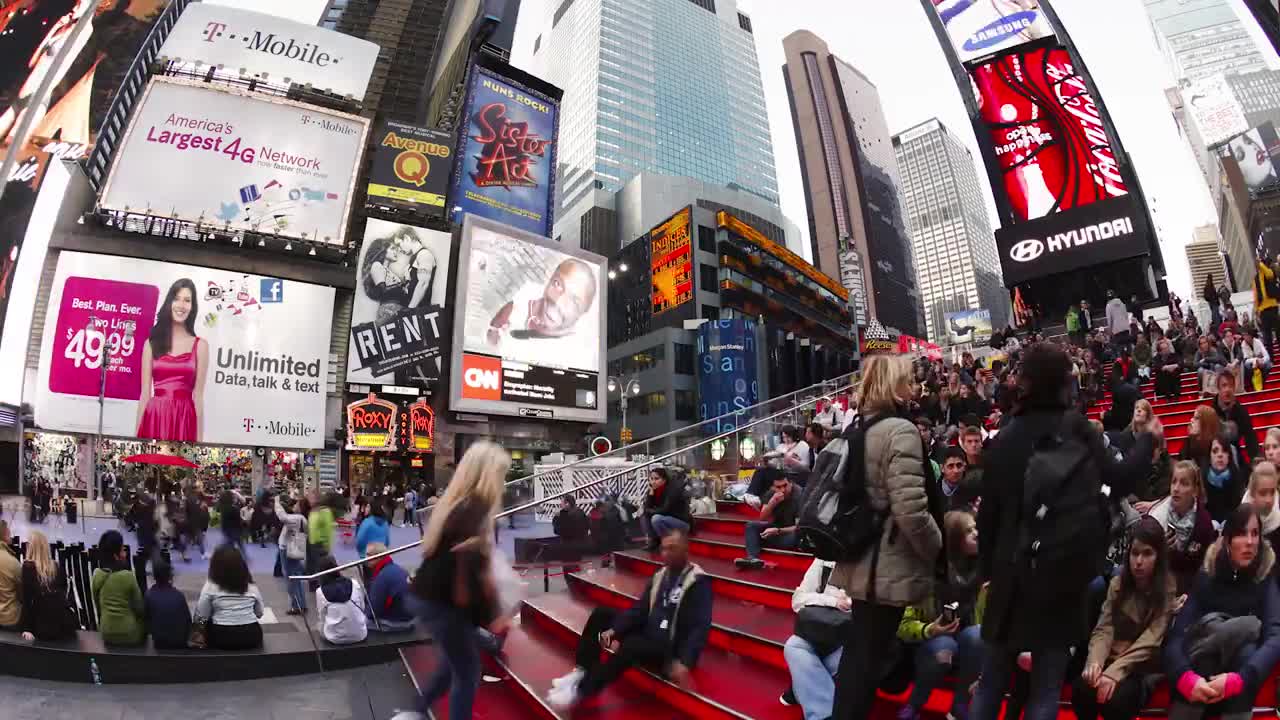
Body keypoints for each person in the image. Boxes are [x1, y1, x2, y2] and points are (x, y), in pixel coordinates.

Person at [970, 343, 1153, 720]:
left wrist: (987, 572)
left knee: (991, 682)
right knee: (1046, 689)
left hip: (1010, 574)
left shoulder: (1006, 435)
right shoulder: (1075, 427)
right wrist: (1149, 439)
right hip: (1058, 574)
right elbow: (1118, 480)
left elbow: (988, 517)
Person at [828, 354, 943, 720]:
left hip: (861, 556)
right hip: (887, 562)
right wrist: (937, 547)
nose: (913, 387)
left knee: (859, 655)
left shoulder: (860, 426)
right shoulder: (900, 430)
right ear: (894, 386)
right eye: (908, 380)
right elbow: (910, 508)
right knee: (867, 658)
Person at [547, 528, 711, 709]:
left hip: (670, 647)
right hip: (649, 630)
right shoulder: (661, 576)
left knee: (632, 644)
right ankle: (581, 670)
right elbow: (640, 610)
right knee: (602, 614)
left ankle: (582, 690)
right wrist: (615, 629)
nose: (666, 554)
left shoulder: (698, 582)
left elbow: (700, 626)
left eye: (672, 548)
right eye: (664, 549)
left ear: (686, 550)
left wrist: (685, 662)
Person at [410, 441, 512, 719]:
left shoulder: (455, 505)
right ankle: (416, 711)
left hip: (430, 598)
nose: (503, 483)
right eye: (500, 475)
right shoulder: (474, 510)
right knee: (467, 673)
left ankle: (415, 711)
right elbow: (471, 571)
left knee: (451, 665)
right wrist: (492, 615)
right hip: (445, 603)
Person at [1163, 504, 1280, 720]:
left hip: (1240, 681)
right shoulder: (1209, 574)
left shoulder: (1265, 576)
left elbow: (1276, 637)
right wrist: (1184, 678)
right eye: (1241, 534)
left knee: (1247, 650)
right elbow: (1177, 636)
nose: (1250, 542)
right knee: (1206, 647)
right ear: (1227, 541)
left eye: (1255, 534)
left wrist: (1242, 679)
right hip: (1201, 676)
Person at [1073, 516, 1177, 720]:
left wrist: (1114, 672)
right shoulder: (1117, 584)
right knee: (1083, 690)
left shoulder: (1167, 588)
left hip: (1140, 666)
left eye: (1147, 554)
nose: (1138, 562)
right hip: (1110, 656)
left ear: (1159, 557)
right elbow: (1104, 628)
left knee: (1117, 700)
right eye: (1134, 553)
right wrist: (1095, 664)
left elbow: (1151, 640)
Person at [895, 511, 987, 720]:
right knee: (944, 648)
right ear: (953, 538)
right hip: (927, 640)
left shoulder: (983, 572)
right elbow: (902, 625)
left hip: (967, 640)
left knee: (977, 635)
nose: (976, 534)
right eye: (968, 531)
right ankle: (914, 704)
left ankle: (959, 705)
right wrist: (930, 630)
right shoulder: (927, 571)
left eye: (975, 528)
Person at [136, 278, 208, 442]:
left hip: (184, 418)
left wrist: (199, 442)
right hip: (155, 416)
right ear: (169, 302)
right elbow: (145, 394)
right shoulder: (151, 344)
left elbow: (198, 397)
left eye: (187, 300)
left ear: (192, 307)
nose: (181, 305)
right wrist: (136, 439)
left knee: (181, 467)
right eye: (177, 298)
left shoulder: (201, 346)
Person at [781, 558, 849, 720]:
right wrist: (832, 601)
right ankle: (821, 712)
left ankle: (799, 691)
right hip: (821, 632)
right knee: (793, 646)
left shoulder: (869, 562)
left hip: (850, 638)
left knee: (835, 661)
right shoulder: (825, 559)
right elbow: (797, 600)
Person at [485, 258, 599, 344]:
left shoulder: (574, 349)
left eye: (574, 301)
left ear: (584, 312)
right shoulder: (530, 292)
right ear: (549, 280)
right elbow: (511, 306)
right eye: (557, 284)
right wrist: (494, 329)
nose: (558, 300)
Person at [196, 545, 265, 650]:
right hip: (251, 636)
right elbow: (259, 613)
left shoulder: (210, 585)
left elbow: (202, 615)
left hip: (220, 636)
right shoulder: (251, 586)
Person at [18, 530, 76, 642]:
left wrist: (26, 628)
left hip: (42, 625)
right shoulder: (56, 566)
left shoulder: (28, 567)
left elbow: (27, 599)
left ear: (30, 547)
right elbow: (64, 591)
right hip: (63, 622)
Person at [91, 530, 145, 647]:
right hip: (130, 634)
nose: (125, 554)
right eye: (122, 550)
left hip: (106, 633)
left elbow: (98, 605)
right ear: (116, 556)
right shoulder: (128, 576)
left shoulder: (97, 575)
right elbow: (140, 608)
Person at [735, 474, 801, 569]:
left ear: (791, 483)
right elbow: (762, 518)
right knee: (751, 526)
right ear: (773, 487)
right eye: (778, 487)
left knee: (797, 534)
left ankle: (761, 544)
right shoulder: (771, 493)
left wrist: (778, 530)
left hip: (791, 533)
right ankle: (753, 559)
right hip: (776, 530)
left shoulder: (799, 495)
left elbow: (799, 527)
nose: (782, 490)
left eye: (785, 485)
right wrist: (772, 503)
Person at [314, 555, 368, 645]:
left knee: (319, 626)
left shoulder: (320, 591)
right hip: (360, 634)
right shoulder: (354, 583)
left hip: (334, 637)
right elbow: (362, 607)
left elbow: (322, 616)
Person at [364, 542, 415, 632]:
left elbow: (374, 610)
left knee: (360, 622)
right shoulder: (398, 569)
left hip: (396, 623)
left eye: (368, 555)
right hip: (410, 618)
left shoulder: (381, 577)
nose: (365, 558)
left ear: (378, 556)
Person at [1213, 370, 1262, 462]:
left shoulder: (1241, 411)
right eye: (1224, 385)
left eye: (1231, 386)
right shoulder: (1211, 411)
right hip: (1214, 455)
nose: (1227, 389)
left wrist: (1256, 459)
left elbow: (1250, 437)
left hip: (1234, 454)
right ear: (1218, 389)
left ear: (1234, 388)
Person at [641, 467, 691, 552]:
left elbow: (665, 510)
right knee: (644, 516)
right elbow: (646, 508)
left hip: (681, 523)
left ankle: (666, 543)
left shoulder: (672, 490)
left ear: (664, 480)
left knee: (656, 519)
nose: (653, 481)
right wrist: (650, 495)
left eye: (657, 479)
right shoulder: (653, 490)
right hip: (666, 520)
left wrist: (649, 511)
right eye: (651, 479)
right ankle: (654, 541)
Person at [145, 560, 191, 650]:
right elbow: (188, 620)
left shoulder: (149, 595)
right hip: (180, 641)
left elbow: (146, 619)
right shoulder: (179, 595)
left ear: (154, 577)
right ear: (170, 576)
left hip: (160, 642)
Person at [275, 495, 308, 616]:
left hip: (287, 549)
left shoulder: (296, 518)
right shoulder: (302, 519)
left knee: (290, 578)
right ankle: (301, 604)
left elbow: (281, 516)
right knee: (296, 577)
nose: (294, 506)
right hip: (297, 548)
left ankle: (295, 606)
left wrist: (277, 502)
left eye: (296, 504)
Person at [1243, 462, 1280, 557]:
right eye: (1262, 493)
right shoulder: (1240, 523)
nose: (1268, 500)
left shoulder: (1277, 526)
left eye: (1272, 492)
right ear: (1252, 494)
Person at [1179, 406, 1222, 471]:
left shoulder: (1217, 446)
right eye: (1193, 417)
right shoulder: (1188, 443)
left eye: (1196, 418)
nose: (1191, 420)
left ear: (1206, 423)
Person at [1256, 253, 1280, 353]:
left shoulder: (1269, 271)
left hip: (1273, 306)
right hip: (1263, 309)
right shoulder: (1256, 277)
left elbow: (1270, 275)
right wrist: (1257, 310)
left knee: (1278, 331)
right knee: (1267, 335)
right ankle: (1270, 357)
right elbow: (1255, 294)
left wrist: (1261, 264)